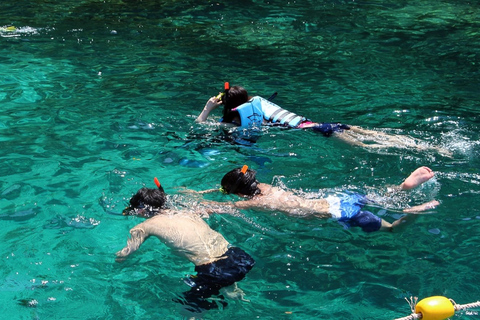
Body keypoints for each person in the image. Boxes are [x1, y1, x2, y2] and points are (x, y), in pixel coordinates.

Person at [115, 178, 255, 312]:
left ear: (141, 210)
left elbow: (126, 253)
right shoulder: (185, 212)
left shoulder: (145, 226)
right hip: (238, 256)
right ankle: (235, 293)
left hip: (214, 269)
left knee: (188, 310)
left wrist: (116, 262)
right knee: (223, 279)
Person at [196, 83, 450, 154]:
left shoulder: (235, 120)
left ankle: (426, 151)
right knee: (379, 136)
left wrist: (208, 108)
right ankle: (432, 146)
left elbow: (201, 128)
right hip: (327, 123)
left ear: (229, 106)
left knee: (373, 149)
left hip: (320, 132)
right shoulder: (259, 100)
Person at [195, 165, 440, 233]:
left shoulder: (253, 203)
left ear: (239, 194)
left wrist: (197, 205)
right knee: (381, 198)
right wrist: (214, 191)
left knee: (392, 230)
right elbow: (237, 191)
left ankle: (414, 212)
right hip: (337, 199)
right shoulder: (265, 188)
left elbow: (220, 208)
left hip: (337, 215)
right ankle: (403, 187)